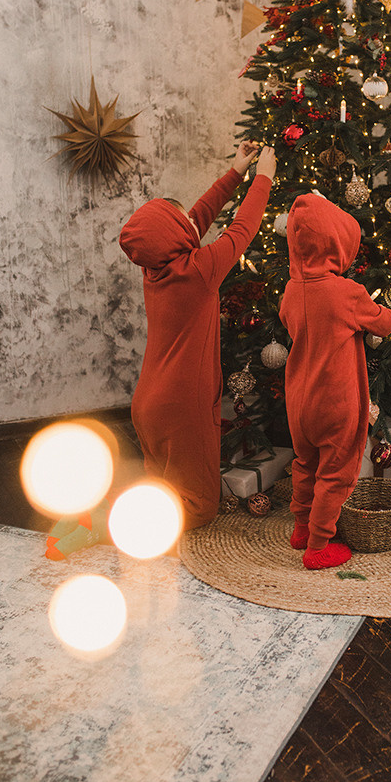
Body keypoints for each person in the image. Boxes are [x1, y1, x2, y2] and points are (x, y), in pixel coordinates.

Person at [119, 141, 276, 530]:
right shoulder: (200, 271)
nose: (193, 220)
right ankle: (149, 536)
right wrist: (263, 179)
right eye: (183, 221)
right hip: (182, 404)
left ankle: (145, 520)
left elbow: (197, 217)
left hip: (148, 403)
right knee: (198, 507)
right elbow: (242, 229)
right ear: (176, 236)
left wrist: (236, 170)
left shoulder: (155, 267)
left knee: (163, 486)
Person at [279, 193, 391, 570]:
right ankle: (318, 546)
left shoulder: (292, 289)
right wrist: (389, 312)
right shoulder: (345, 292)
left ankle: (301, 528)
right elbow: (384, 323)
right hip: (335, 400)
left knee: (304, 463)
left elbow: (287, 319)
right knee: (335, 472)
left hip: (299, 399)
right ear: (336, 243)